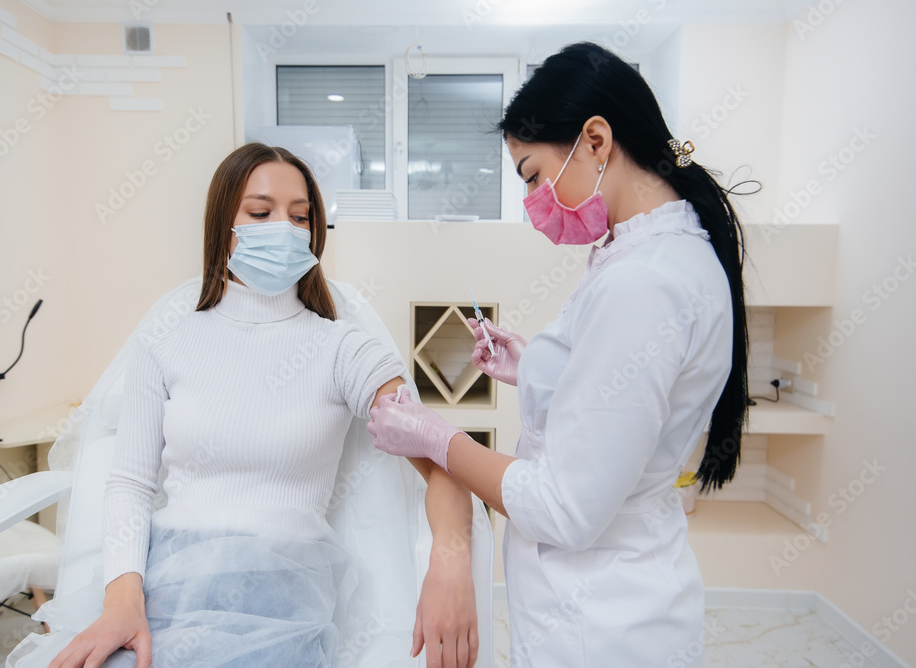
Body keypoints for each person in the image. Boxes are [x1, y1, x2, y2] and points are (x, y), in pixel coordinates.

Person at [367, 41, 750, 667]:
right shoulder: (651, 253)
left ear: (595, 140)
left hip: (600, 628)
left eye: (532, 175)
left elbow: (563, 507)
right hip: (609, 606)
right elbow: (626, 395)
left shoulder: (642, 282)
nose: (533, 203)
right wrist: (536, 367)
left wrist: (435, 438)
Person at [47, 143, 480, 668]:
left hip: (283, 608)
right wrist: (122, 602)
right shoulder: (165, 341)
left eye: (300, 217)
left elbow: (443, 461)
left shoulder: (342, 349)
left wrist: (450, 564)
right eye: (260, 213)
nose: (285, 230)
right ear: (223, 225)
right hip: (165, 593)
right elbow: (131, 484)